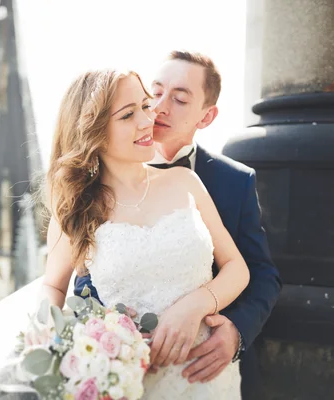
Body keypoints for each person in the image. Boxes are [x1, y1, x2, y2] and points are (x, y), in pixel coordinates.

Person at [75, 51, 282, 398]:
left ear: (207, 116)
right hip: (130, 373)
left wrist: (235, 332)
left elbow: (261, 273)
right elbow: (87, 280)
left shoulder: (235, 181)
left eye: (180, 98)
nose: (160, 106)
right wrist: (112, 348)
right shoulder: (97, 186)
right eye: (154, 92)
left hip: (205, 369)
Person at [42, 68, 250, 398]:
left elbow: (237, 268)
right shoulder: (76, 209)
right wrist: (75, 348)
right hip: (131, 383)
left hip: (207, 377)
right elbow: (53, 286)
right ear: (93, 131)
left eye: (144, 105)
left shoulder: (185, 183)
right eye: (127, 115)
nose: (146, 121)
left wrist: (196, 304)